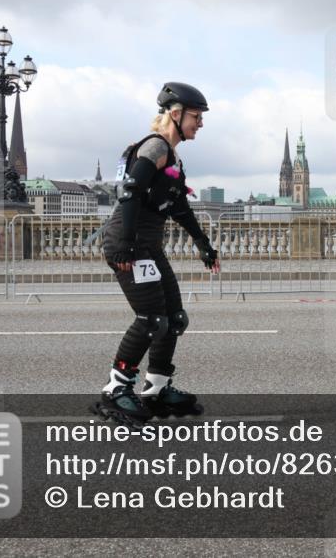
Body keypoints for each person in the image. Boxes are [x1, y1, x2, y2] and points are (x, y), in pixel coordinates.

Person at [93, 82, 220, 426]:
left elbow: (180, 209)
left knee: (174, 318)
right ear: (176, 114)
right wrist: (126, 244)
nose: (201, 124)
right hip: (129, 242)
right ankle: (116, 389)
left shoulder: (174, 157)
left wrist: (203, 245)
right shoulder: (154, 147)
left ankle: (157, 388)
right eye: (197, 116)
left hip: (148, 245)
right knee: (151, 320)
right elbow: (130, 192)